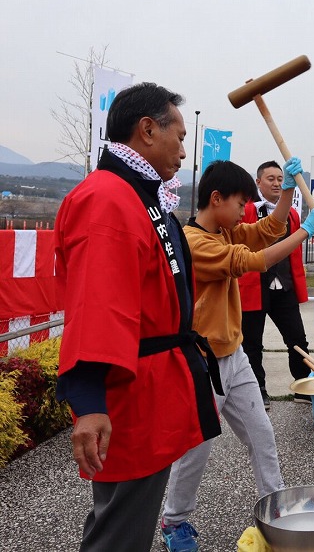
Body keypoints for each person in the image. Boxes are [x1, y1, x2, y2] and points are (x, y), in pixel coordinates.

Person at [54, 82, 221, 551]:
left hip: (151, 381)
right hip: (127, 388)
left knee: (130, 519)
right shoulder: (108, 199)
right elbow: (95, 304)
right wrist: (88, 402)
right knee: (121, 530)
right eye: (180, 137)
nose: (185, 152)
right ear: (147, 130)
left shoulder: (139, 195)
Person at [160, 159, 314, 552]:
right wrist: (306, 231)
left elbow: (268, 230)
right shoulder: (196, 242)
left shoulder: (224, 229)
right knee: (195, 451)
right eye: (239, 203)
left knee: (262, 437)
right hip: (203, 362)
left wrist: (286, 191)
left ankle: (278, 512)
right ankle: (174, 521)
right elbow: (252, 262)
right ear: (216, 199)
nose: (243, 211)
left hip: (235, 357)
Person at [240, 161, 313, 409]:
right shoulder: (246, 210)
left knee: (297, 339)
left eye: (280, 179)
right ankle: (257, 390)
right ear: (258, 182)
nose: (276, 183)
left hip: (284, 286)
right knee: (251, 343)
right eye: (270, 179)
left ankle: (303, 386)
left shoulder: (291, 213)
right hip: (253, 286)